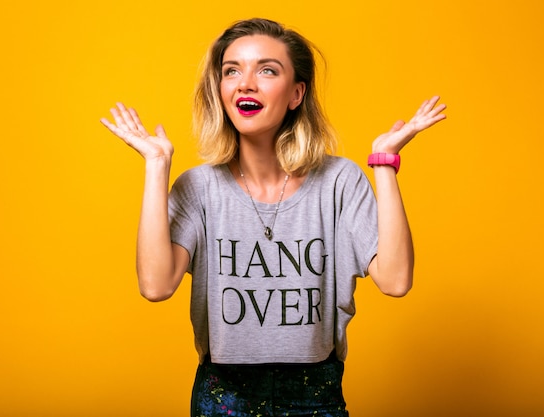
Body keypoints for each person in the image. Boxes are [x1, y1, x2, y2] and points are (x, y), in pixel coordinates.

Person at [101, 17, 445, 417]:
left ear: (297, 93)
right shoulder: (198, 188)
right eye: (232, 70)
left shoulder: (339, 181)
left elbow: (396, 279)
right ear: (221, 89)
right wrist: (157, 166)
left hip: (315, 396)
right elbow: (156, 285)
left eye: (267, 70)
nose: (246, 83)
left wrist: (384, 164)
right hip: (223, 398)